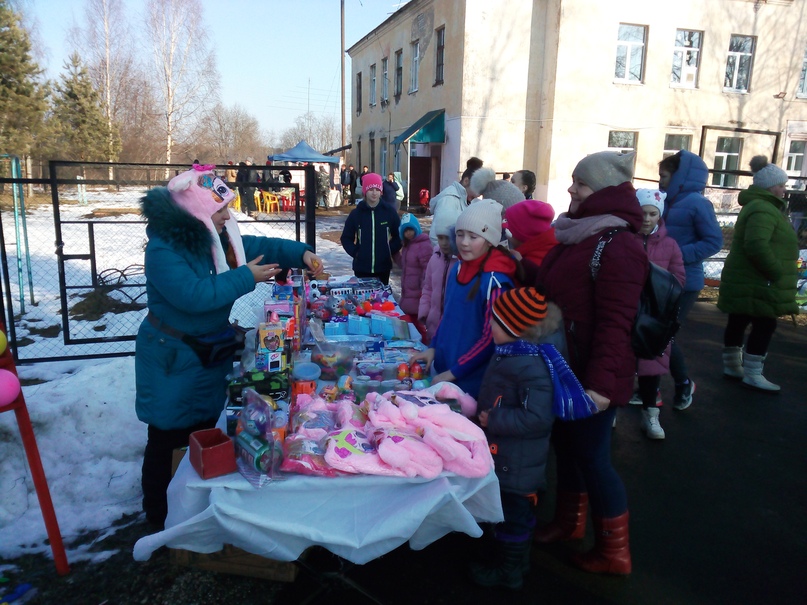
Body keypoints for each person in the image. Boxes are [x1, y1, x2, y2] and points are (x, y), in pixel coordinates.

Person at [136, 165, 324, 528]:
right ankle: (159, 516)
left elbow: (260, 246)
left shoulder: (215, 237)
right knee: (167, 437)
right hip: (172, 360)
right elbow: (194, 296)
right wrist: (245, 277)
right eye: (220, 209)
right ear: (198, 212)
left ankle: (198, 507)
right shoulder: (163, 250)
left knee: (206, 429)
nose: (228, 216)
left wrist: (301, 254)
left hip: (205, 353)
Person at [532, 150, 647, 575]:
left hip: (594, 375)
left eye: (580, 183)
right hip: (567, 367)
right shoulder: (581, 233)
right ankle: (569, 523)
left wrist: (599, 387)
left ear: (603, 191)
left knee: (594, 459)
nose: (571, 189)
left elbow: (617, 323)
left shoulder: (618, 244)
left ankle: (614, 552)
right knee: (567, 448)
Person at [469, 287, 562, 590]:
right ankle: (517, 562)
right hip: (509, 457)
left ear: (513, 327)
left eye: (494, 322)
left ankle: (509, 572)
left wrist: (493, 419)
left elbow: (537, 418)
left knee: (513, 517)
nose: (490, 327)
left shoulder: (531, 366)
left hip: (518, 464)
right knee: (513, 516)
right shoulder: (510, 354)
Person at [410, 199, 523, 399]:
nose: (464, 242)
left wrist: (455, 372)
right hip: (446, 373)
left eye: (473, 236)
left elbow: (490, 340)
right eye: (460, 234)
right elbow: (448, 315)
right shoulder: (458, 269)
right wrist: (434, 347)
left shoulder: (495, 284)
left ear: (490, 240)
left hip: (471, 384)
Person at [717, 156, 799, 392]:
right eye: (781, 185)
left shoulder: (759, 206)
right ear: (770, 187)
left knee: (739, 319)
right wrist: (775, 271)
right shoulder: (764, 208)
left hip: (749, 278)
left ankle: (733, 366)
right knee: (765, 323)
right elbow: (757, 245)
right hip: (759, 280)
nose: (784, 190)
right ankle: (753, 373)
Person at [658, 150, 723, 409]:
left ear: (679, 176)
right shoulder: (665, 201)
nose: (660, 181)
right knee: (653, 333)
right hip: (661, 278)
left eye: (664, 176)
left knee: (664, 335)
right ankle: (651, 391)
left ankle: (683, 383)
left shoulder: (697, 203)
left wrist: (676, 255)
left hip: (685, 282)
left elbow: (713, 241)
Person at [632, 189, 685, 439]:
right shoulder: (626, 239)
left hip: (655, 314)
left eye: (653, 214)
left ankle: (651, 413)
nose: (647, 218)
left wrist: (661, 288)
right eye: (642, 213)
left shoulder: (669, 245)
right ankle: (610, 412)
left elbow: (678, 278)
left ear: (659, 216)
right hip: (629, 310)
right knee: (620, 362)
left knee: (652, 366)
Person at [340, 172, 402, 285]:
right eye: (371, 189)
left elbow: (399, 235)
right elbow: (346, 238)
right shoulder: (356, 214)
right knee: (364, 301)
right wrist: (356, 253)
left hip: (383, 268)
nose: (374, 193)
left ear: (381, 191)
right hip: (361, 268)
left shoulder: (389, 212)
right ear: (365, 191)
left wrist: (388, 250)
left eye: (377, 189)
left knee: (381, 300)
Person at [418, 207, 459, 343]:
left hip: (452, 331)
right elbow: (428, 287)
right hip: (432, 326)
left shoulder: (461, 263)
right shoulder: (434, 259)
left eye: (448, 238)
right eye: (440, 238)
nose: (444, 243)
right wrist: (424, 310)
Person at [428, 157, 484, 245]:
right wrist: (449, 257)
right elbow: (436, 237)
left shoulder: (468, 200)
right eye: (476, 190)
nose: (477, 196)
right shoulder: (449, 199)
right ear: (466, 181)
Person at [394, 212, 432, 336]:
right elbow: (406, 266)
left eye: (411, 229)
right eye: (405, 231)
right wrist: (395, 255)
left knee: (418, 325)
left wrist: (424, 289)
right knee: (410, 325)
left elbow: (427, 269)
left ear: (416, 228)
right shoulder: (408, 246)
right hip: (408, 293)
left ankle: (425, 344)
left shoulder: (423, 245)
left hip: (417, 294)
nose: (408, 233)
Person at [505, 199, 558, 267]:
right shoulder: (551, 248)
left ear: (521, 234)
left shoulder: (531, 264)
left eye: (508, 226)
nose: (505, 229)